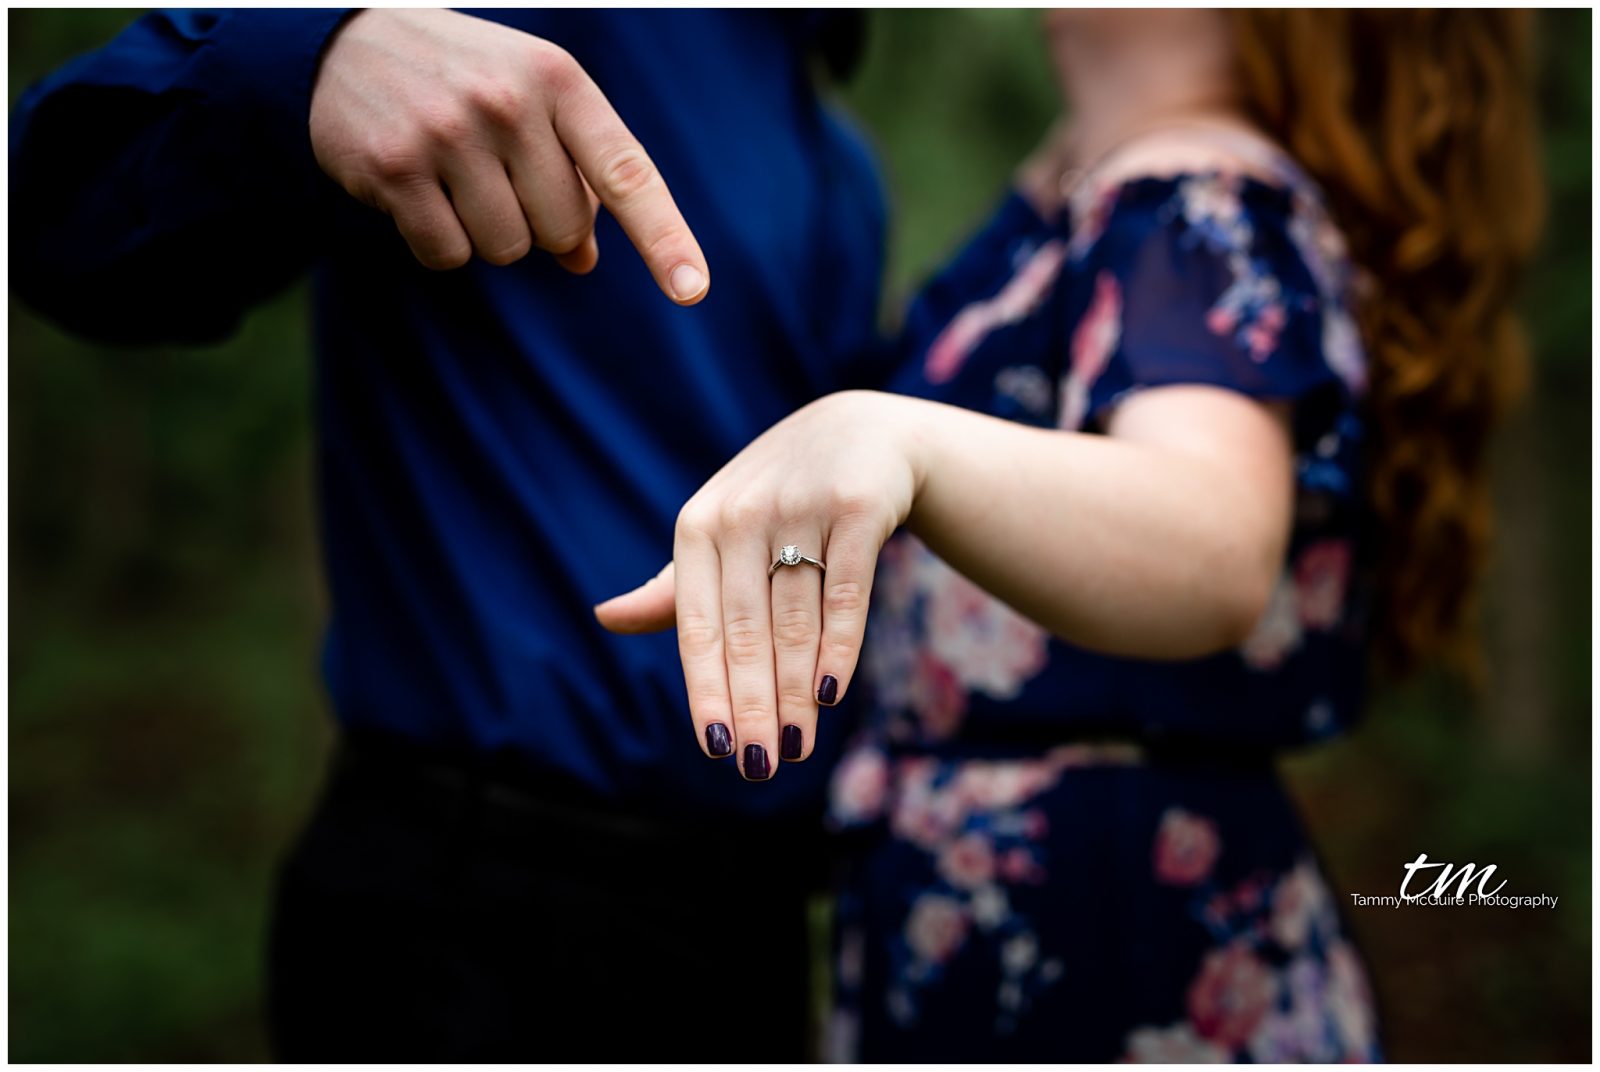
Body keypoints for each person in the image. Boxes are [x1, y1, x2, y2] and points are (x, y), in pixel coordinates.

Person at [596, 9, 1542, 1062]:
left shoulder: (1194, 198)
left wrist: (889, 437)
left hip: (1107, 948)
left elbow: (1208, 546)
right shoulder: (1091, 196)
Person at [11, 9, 888, 1061]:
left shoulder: (839, 158)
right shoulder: (507, 27)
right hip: (476, 915)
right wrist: (319, 59)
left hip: (755, 932)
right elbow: (56, 216)